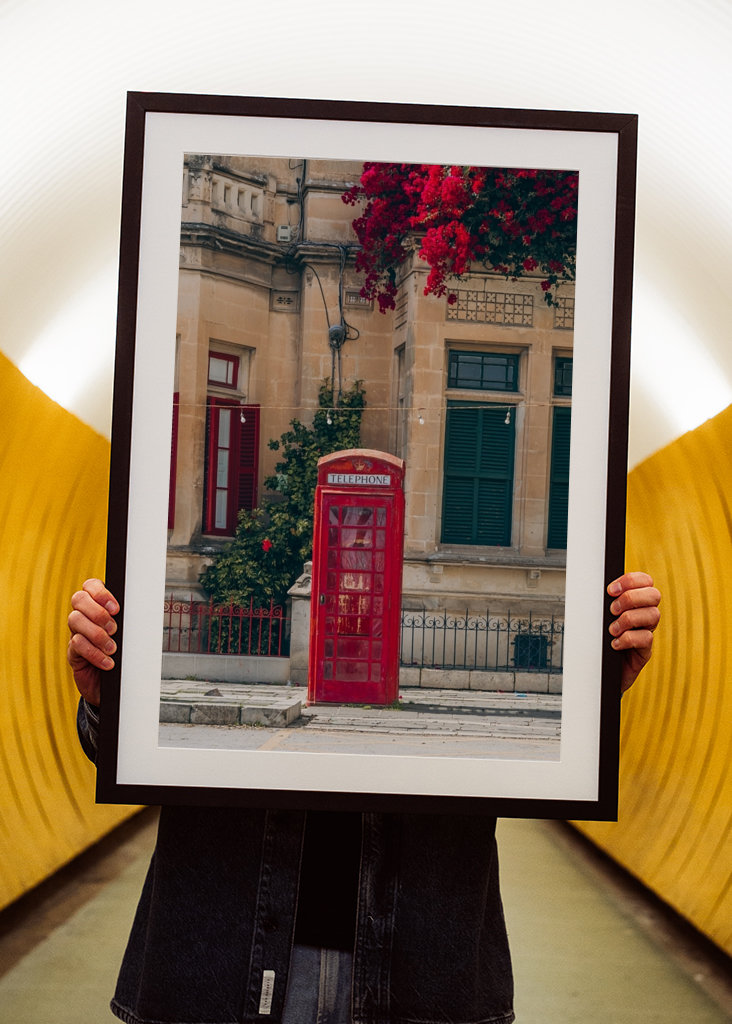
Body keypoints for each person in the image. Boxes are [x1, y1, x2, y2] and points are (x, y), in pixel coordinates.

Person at [68, 572, 661, 1024]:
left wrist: (592, 698)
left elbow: (549, 764)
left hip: (421, 971)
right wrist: (108, 703)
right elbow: (117, 754)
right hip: (219, 960)